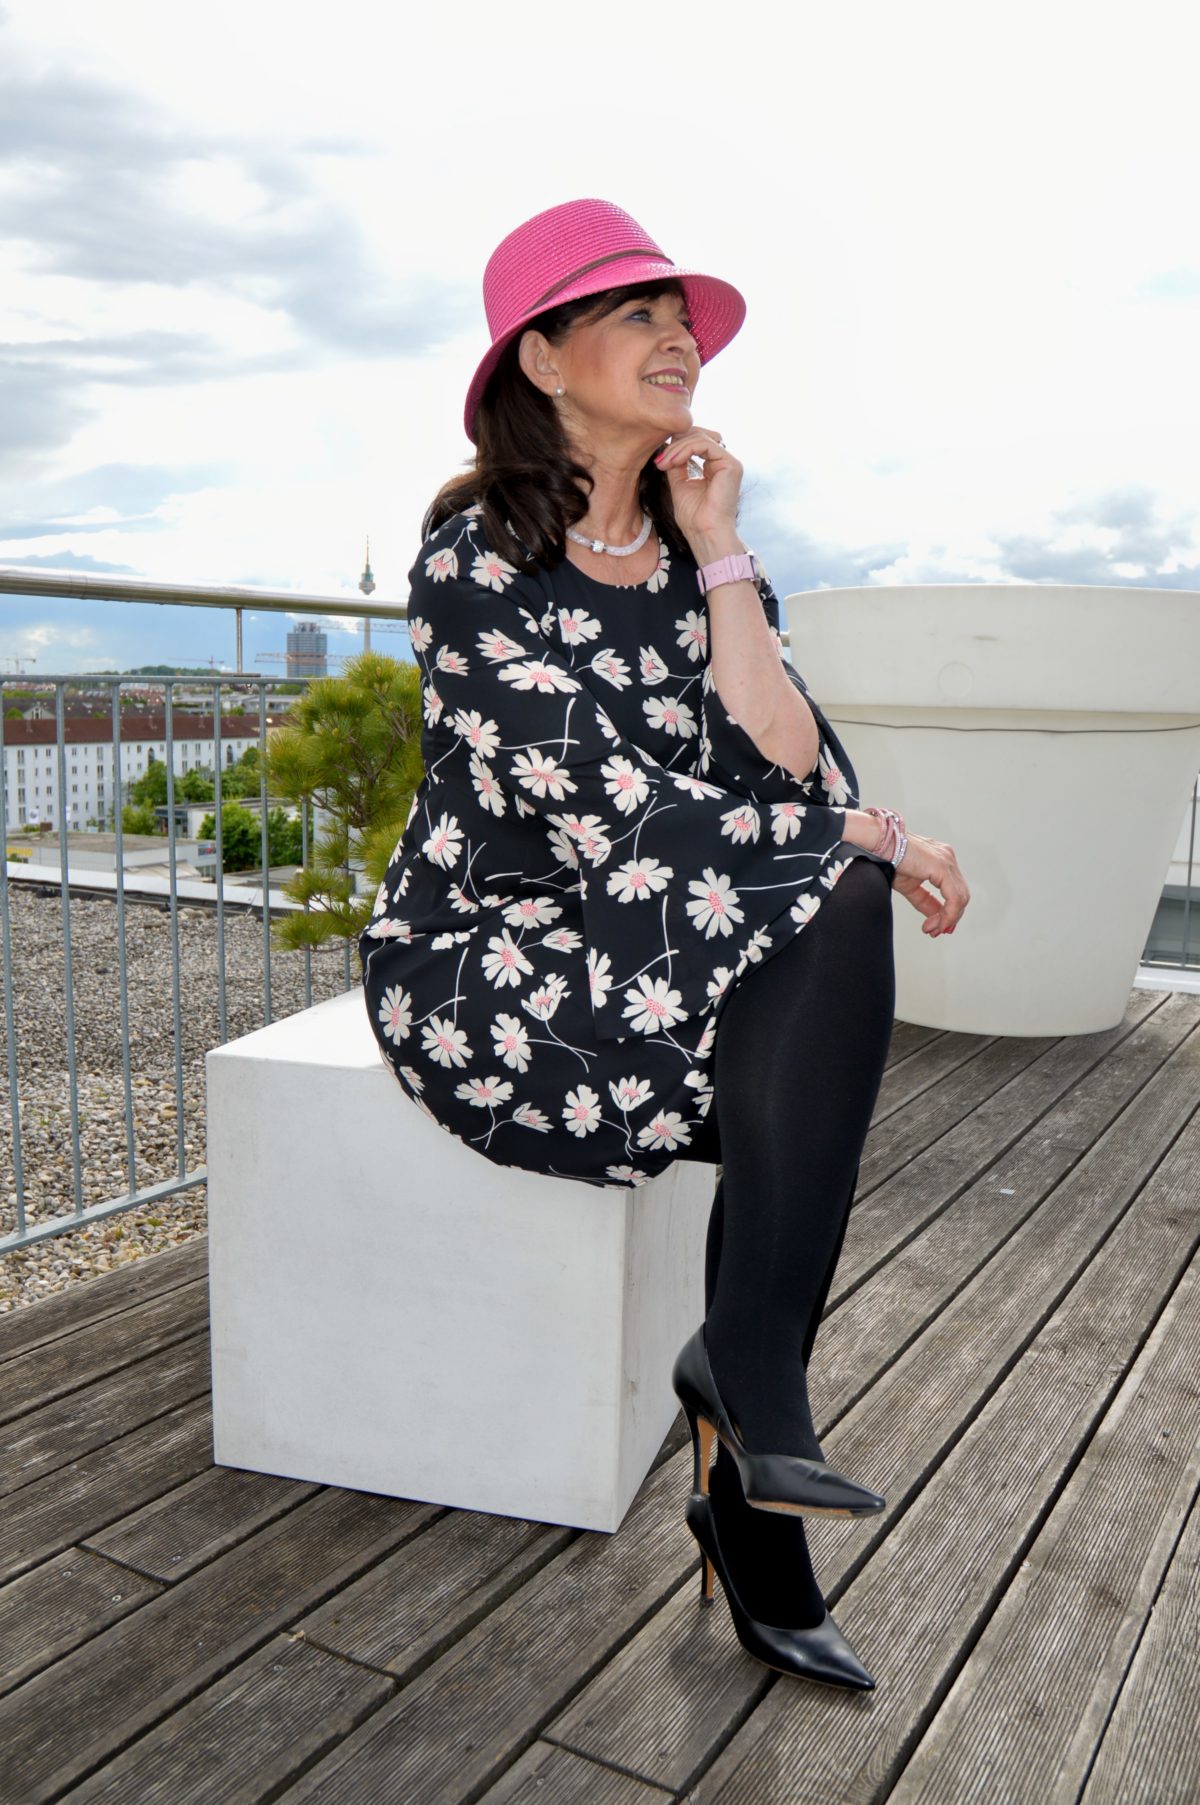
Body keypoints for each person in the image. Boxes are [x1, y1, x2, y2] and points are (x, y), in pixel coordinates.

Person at [359, 198, 970, 1691]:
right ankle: (753, 1418)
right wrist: (869, 836)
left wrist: (721, 548)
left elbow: (793, 770)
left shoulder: (701, 563)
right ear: (543, 357)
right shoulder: (471, 562)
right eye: (634, 313)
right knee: (823, 919)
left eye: (681, 317)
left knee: (820, 934)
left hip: (656, 930)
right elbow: (605, 810)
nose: (677, 337)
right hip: (499, 959)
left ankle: (747, 1386)